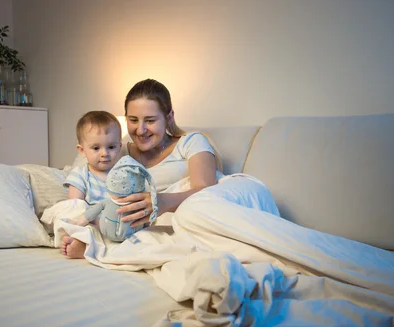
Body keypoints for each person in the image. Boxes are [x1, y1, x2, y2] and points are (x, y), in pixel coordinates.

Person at [62, 78, 277, 259]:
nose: (141, 129)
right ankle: (98, 246)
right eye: (133, 120)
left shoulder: (190, 142)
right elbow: (87, 177)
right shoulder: (119, 151)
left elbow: (207, 189)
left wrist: (161, 201)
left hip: (199, 208)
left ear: (169, 117)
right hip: (156, 223)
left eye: (150, 120)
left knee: (193, 212)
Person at [61, 111, 122, 256]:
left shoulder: (122, 174)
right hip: (91, 221)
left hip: (116, 224)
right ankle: (82, 246)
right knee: (79, 224)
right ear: (82, 150)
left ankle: (96, 246)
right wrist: (93, 220)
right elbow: (75, 205)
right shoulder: (80, 174)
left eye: (111, 147)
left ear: (119, 147)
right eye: (96, 148)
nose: (104, 153)